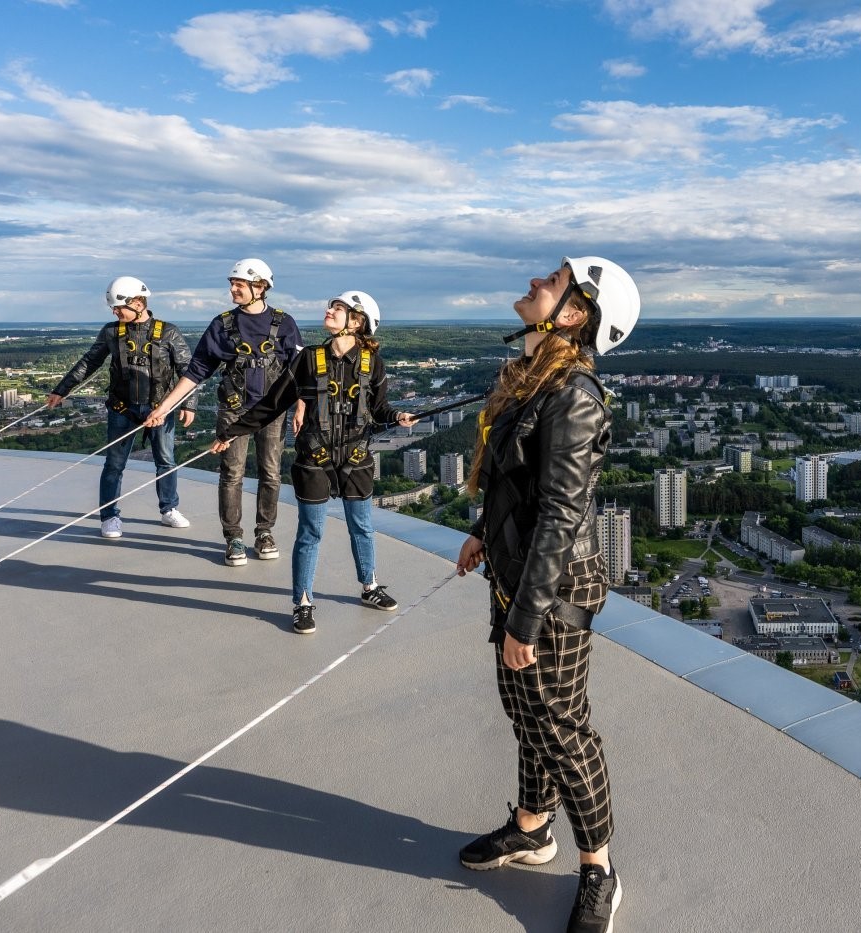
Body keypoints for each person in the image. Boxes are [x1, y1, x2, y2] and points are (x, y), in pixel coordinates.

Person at [454, 257, 640, 933]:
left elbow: (563, 514)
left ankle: (598, 868)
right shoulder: (536, 379)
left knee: (562, 726)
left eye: (553, 280)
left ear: (572, 313)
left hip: (552, 588)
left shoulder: (575, 396)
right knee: (523, 709)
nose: (537, 280)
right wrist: (483, 532)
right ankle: (533, 827)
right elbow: (518, 485)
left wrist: (525, 619)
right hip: (518, 573)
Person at [209, 291, 415, 634]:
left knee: (362, 527)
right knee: (310, 532)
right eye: (331, 306)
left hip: (355, 458)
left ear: (357, 321)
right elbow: (274, 403)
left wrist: (398, 415)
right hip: (314, 458)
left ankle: (369, 587)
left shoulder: (371, 363)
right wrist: (233, 431)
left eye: (338, 308)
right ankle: (302, 603)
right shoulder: (308, 360)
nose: (329, 311)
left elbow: (379, 410)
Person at [145, 259, 303, 567]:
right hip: (234, 412)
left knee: (271, 473)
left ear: (260, 287)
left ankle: (264, 532)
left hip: (272, 413)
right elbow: (196, 372)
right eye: (232, 283)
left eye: (239, 284)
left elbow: (300, 373)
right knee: (232, 474)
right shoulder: (223, 325)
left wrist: (301, 408)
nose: (232, 289)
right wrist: (165, 408)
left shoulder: (284, 324)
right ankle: (234, 537)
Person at [48, 276, 195, 539]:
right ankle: (109, 516)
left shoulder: (168, 332)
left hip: (159, 408)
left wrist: (189, 404)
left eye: (119, 307)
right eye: (113, 309)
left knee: (166, 461)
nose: (115, 313)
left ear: (138, 303)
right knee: (114, 464)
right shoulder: (111, 332)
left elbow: (187, 369)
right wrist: (63, 388)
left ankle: (169, 509)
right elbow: (89, 362)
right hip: (121, 407)